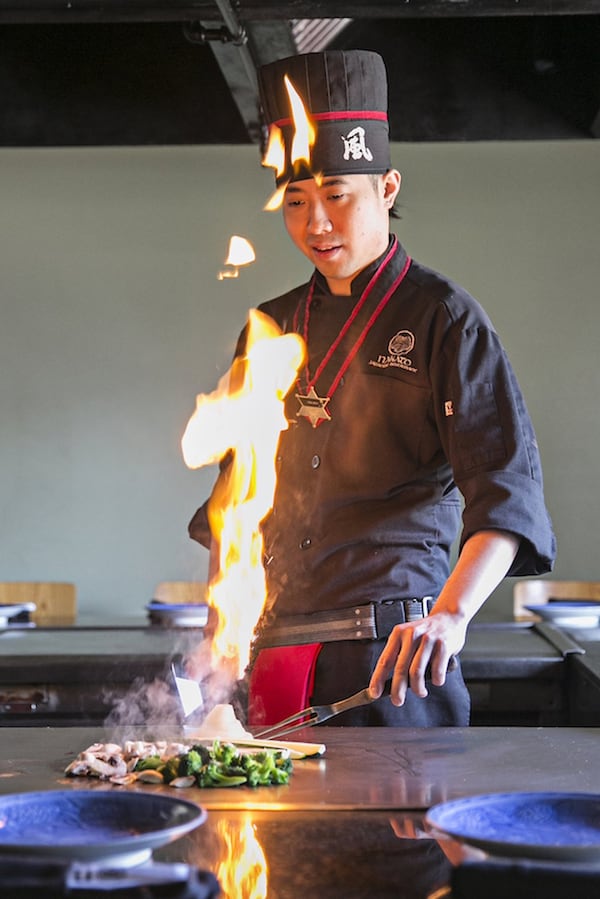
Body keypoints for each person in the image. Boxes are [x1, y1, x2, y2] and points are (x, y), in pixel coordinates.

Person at [189, 49, 556, 727]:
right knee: (269, 833)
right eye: (296, 202)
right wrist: (219, 633)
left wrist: (450, 617)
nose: (316, 223)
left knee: (399, 832)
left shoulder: (443, 318)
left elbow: (505, 495)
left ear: (387, 187)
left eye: (336, 196)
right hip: (273, 654)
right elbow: (234, 506)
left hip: (393, 661)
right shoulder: (269, 327)